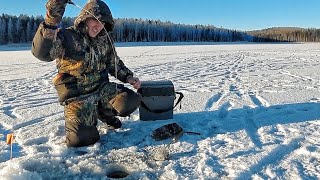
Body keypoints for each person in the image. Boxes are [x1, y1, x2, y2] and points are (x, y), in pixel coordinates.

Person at [31, 0, 142, 147]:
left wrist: (128, 77)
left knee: (130, 100)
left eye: (103, 22)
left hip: (101, 89)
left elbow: (113, 63)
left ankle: (103, 113)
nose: (99, 26)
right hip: (78, 95)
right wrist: (51, 22)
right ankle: (87, 117)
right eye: (95, 20)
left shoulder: (105, 40)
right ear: (84, 18)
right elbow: (42, 53)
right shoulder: (68, 37)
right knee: (82, 140)